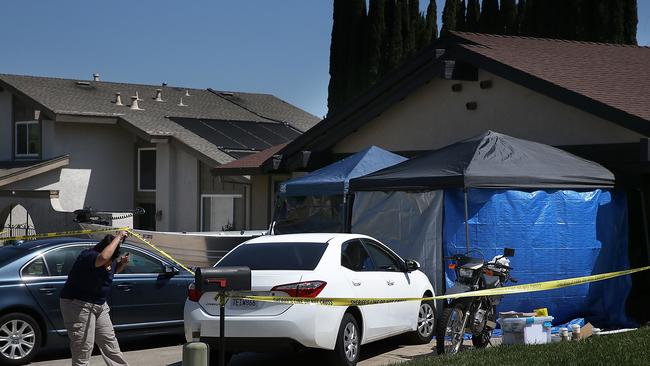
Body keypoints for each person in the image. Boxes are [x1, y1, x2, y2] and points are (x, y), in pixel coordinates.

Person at [59, 231, 131, 366]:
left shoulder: (110, 261)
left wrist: (122, 264)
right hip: (78, 305)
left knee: (110, 344)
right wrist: (119, 237)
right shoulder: (89, 256)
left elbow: (111, 269)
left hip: (99, 305)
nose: (111, 261)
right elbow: (103, 258)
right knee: (83, 347)